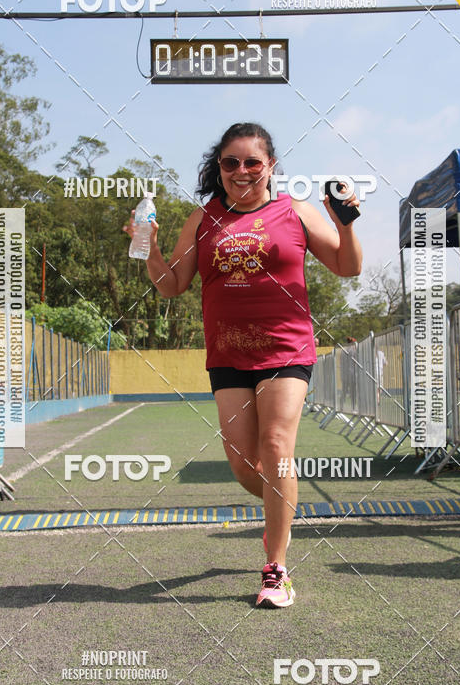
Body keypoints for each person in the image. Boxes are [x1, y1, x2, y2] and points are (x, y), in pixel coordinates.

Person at [124, 122, 362, 606]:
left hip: (285, 350)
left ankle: (276, 569)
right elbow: (171, 285)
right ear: (219, 168)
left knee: (276, 446)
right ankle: (282, 505)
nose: (242, 171)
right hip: (228, 354)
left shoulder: (294, 212)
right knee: (243, 465)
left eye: (253, 161)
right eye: (230, 162)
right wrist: (147, 249)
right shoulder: (202, 219)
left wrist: (345, 223)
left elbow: (347, 267)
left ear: (270, 165)